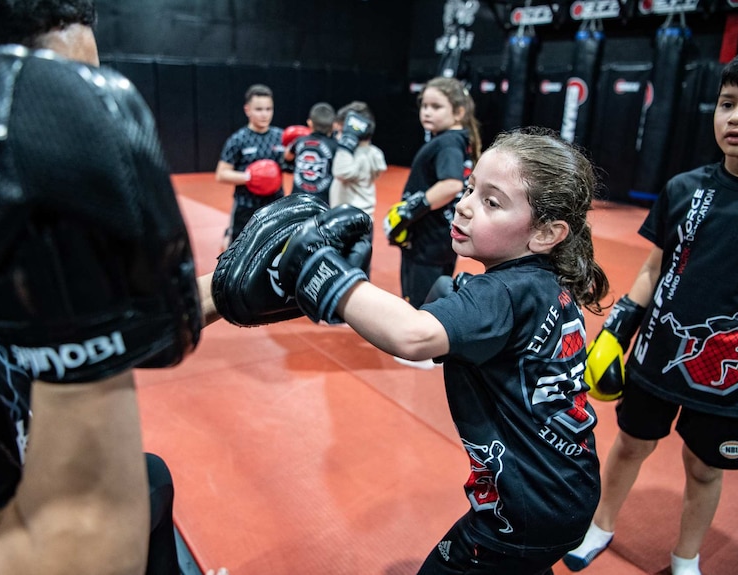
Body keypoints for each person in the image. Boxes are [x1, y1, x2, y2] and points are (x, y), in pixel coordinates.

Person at [0, 4, 221, 574]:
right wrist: (82, 329)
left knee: (151, 479)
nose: (85, 123)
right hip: (32, 525)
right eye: (53, 98)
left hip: (21, 458)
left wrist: (229, 287)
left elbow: (19, 344)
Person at [221, 127, 608, 574]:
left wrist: (319, 273)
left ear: (545, 233)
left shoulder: (499, 294)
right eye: (470, 187)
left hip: (519, 512)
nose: (463, 205)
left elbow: (413, 337)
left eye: (491, 202)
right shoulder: (545, 285)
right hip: (566, 488)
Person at [563, 46, 738, 575]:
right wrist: (616, 331)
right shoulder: (684, 188)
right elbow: (654, 269)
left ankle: (686, 559)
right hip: (659, 352)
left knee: (703, 469)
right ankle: (599, 526)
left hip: (730, 370)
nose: (737, 117)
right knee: (630, 445)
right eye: (727, 103)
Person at [383, 76, 483, 310]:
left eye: (436, 107)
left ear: (458, 112)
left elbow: (451, 184)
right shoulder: (457, 140)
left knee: (421, 306)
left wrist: (411, 209)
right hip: (441, 237)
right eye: (425, 106)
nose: (427, 112)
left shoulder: (448, 142)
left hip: (427, 242)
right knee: (437, 299)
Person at [215, 83, 286, 248]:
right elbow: (221, 174)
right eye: (259, 109)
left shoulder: (281, 137)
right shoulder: (238, 139)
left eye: (269, 109)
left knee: (274, 249)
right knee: (237, 250)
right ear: (247, 110)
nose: (265, 114)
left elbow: (289, 165)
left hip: (275, 204)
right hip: (246, 206)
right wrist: (251, 177)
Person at [328, 101, 388, 232]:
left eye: (341, 131)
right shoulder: (373, 152)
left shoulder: (358, 157)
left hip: (350, 223)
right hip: (356, 219)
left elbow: (340, 171)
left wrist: (347, 142)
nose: (338, 137)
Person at [285, 101, 337, 205]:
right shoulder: (335, 145)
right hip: (321, 202)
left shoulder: (299, 141)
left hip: (297, 199)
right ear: (333, 125)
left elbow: (287, 157)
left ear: (310, 123)